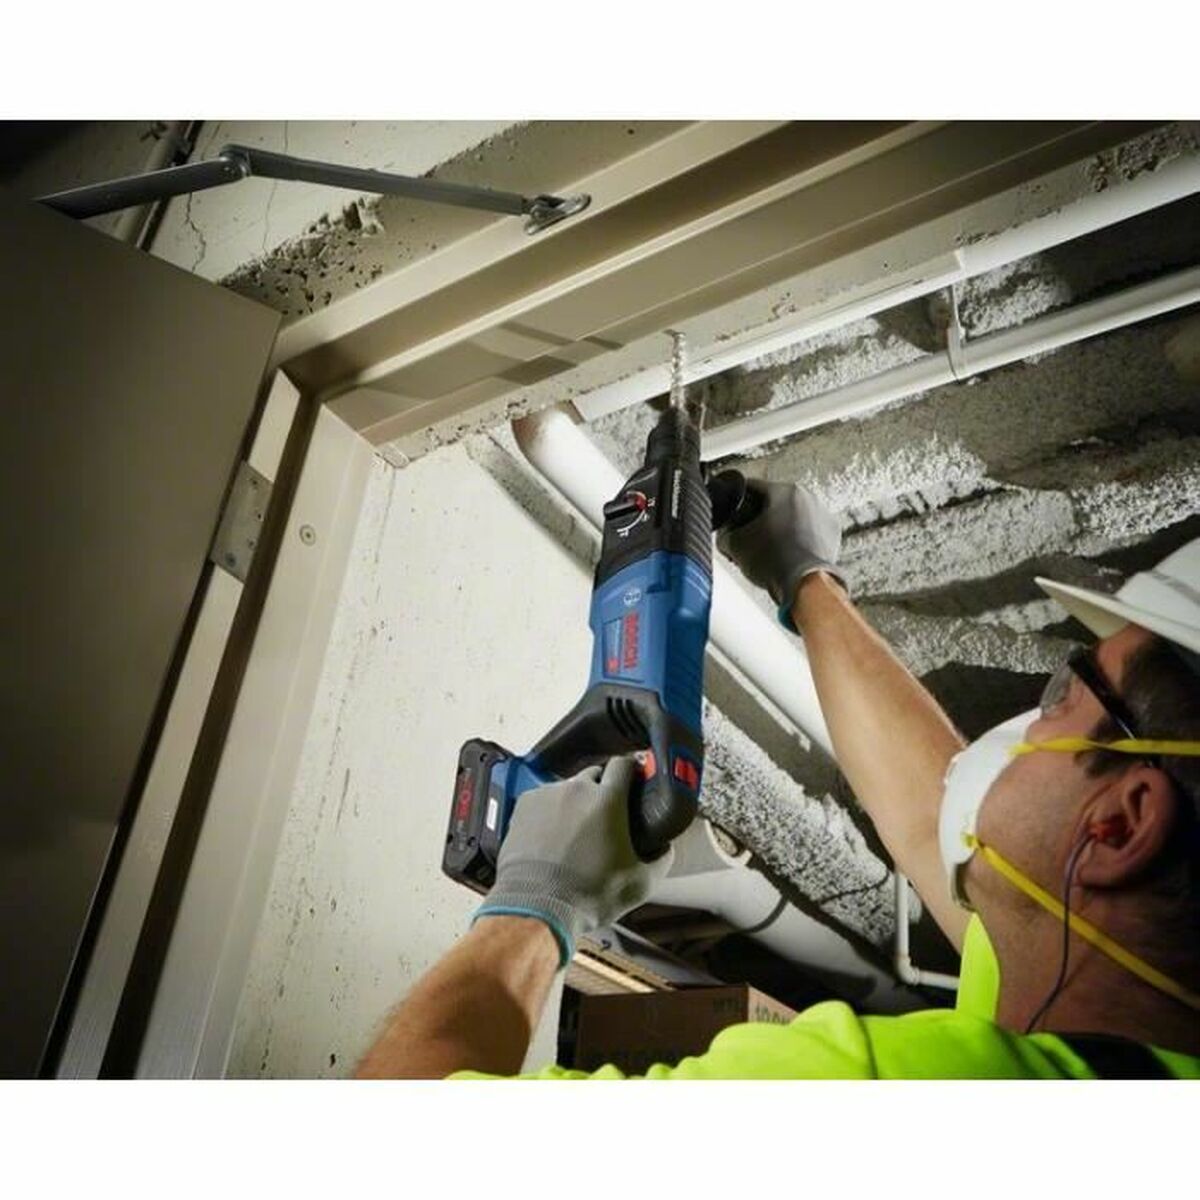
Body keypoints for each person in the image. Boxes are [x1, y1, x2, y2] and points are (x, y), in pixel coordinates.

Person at [355, 482, 1200, 1080]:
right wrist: (807, 582)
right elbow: (928, 814)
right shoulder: (1101, 1000)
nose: (1029, 718)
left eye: (1065, 693)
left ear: (1123, 824)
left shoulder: (902, 1100)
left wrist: (535, 903)